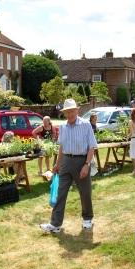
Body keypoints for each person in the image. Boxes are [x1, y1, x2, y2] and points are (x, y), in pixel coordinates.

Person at [40, 99, 98, 233]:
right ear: (64, 113)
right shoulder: (63, 127)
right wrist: (57, 164)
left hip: (81, 161)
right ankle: (55, 224)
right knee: (61, 192)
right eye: (67, 112)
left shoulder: (85, 125)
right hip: (66, 161)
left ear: (77, 111)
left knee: (85, 192)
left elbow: (91, 147)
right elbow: (62, 147)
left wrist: (86, 165)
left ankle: (87, 219)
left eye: (72, 111)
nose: (70, 114)